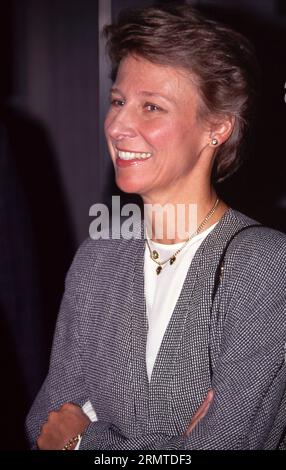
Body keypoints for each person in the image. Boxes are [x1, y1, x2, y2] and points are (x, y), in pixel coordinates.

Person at [26, 5, 286, 450]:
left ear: (217, 128)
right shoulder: (99, 256)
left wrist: (85, 440)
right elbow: (43, 425)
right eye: (118, 101)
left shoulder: (264, 265)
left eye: (151, 107)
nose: (118, 125)